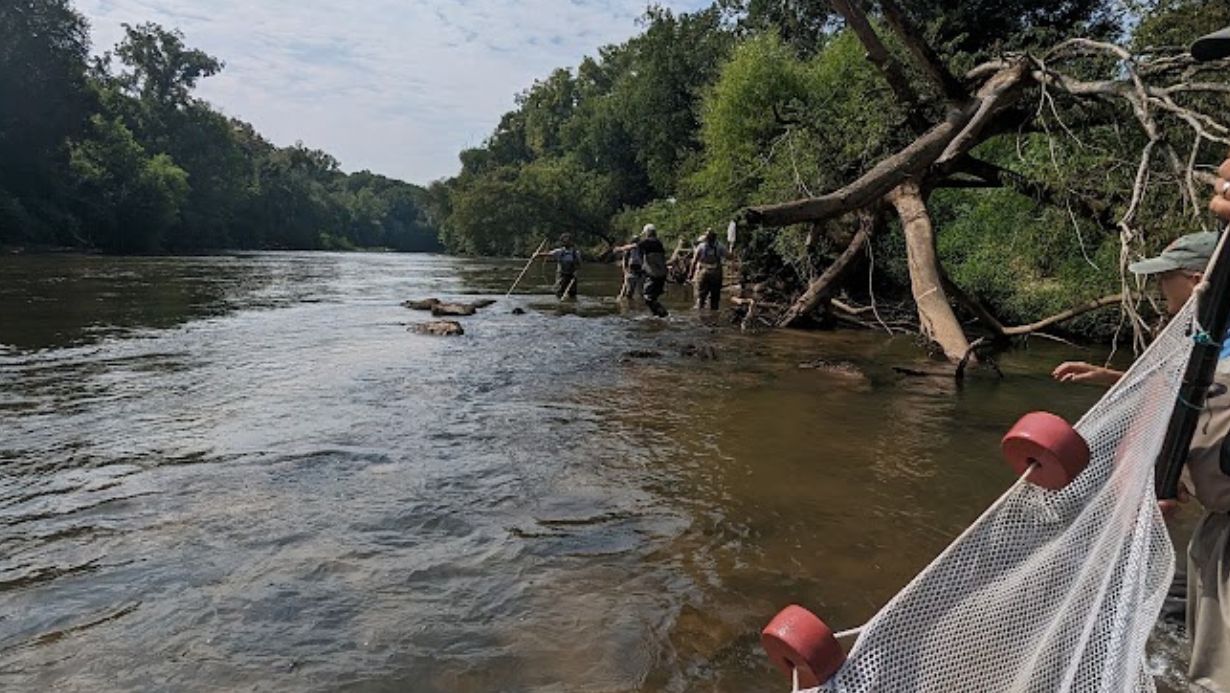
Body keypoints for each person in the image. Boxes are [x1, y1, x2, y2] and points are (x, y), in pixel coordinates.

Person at [690, 229, 727, 310]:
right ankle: (713, 318)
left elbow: (694, 261)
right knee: (715, 298)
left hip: (704, 272)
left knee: (701, 297)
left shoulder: (701, 246)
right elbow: (728, 256)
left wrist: (691, 274)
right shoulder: (720, 246)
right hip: (716, 273)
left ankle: (700, 316)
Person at [536, 234, 582, 299]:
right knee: (559, 292)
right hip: (562, 276)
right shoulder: (559, 251)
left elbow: (579, 264)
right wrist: (537, 255)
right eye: (564, 241)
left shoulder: (576, 253)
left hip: (572, 276)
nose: (566, 243)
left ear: (571, 242)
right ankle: (561, 306)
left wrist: (576, 272)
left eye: (568, 241)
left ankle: (571, 305)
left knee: (572, 294)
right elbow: (548, 254)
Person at [638, 224, 670, 317]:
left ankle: (663, 314)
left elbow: (636, 246)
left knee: (648, 297)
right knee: (653, 297)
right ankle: (657, 316)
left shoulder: (648, 242)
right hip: (662, 274)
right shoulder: (658, 243)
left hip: (654, 275)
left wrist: (620, 248)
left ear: (647, 233)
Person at [614, 235, 644, 303]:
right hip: (631, 270)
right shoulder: (628, 250)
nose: (637, 242)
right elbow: (624, 261)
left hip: (639, 270)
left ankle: (630, 303)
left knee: (640, 291)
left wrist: (620, 248)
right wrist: (625, 271)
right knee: (628, 291)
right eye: (636, 240)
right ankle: (623, 301)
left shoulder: (640, 249)